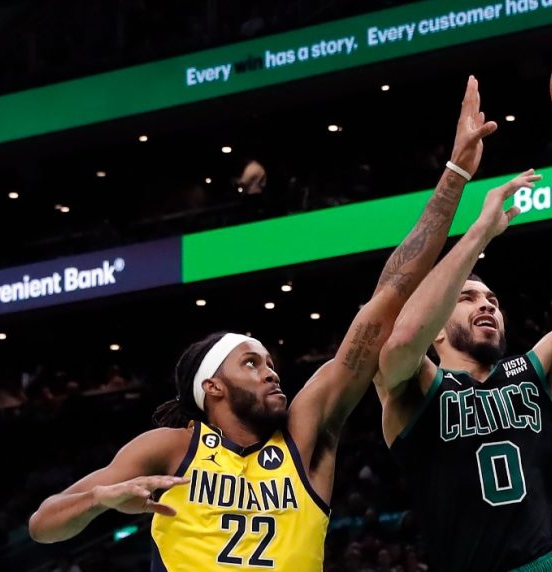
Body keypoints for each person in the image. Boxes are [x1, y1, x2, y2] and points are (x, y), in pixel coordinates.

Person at [26, 77, 503, 571]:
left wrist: (454, 176)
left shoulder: (304, 433)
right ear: (212, 387)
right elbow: (42, 524)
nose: (271, 372)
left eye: (269, 362)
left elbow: (389, 296)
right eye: (251, 363)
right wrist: (101, 498)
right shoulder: (171, 448)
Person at [374, 63, 552, 570]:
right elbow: (400, 339)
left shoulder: (543, 369)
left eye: (492, 299)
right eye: (468, 298)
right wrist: (478, 234)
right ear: (437, 325)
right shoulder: (413, 388)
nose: (487, 304)